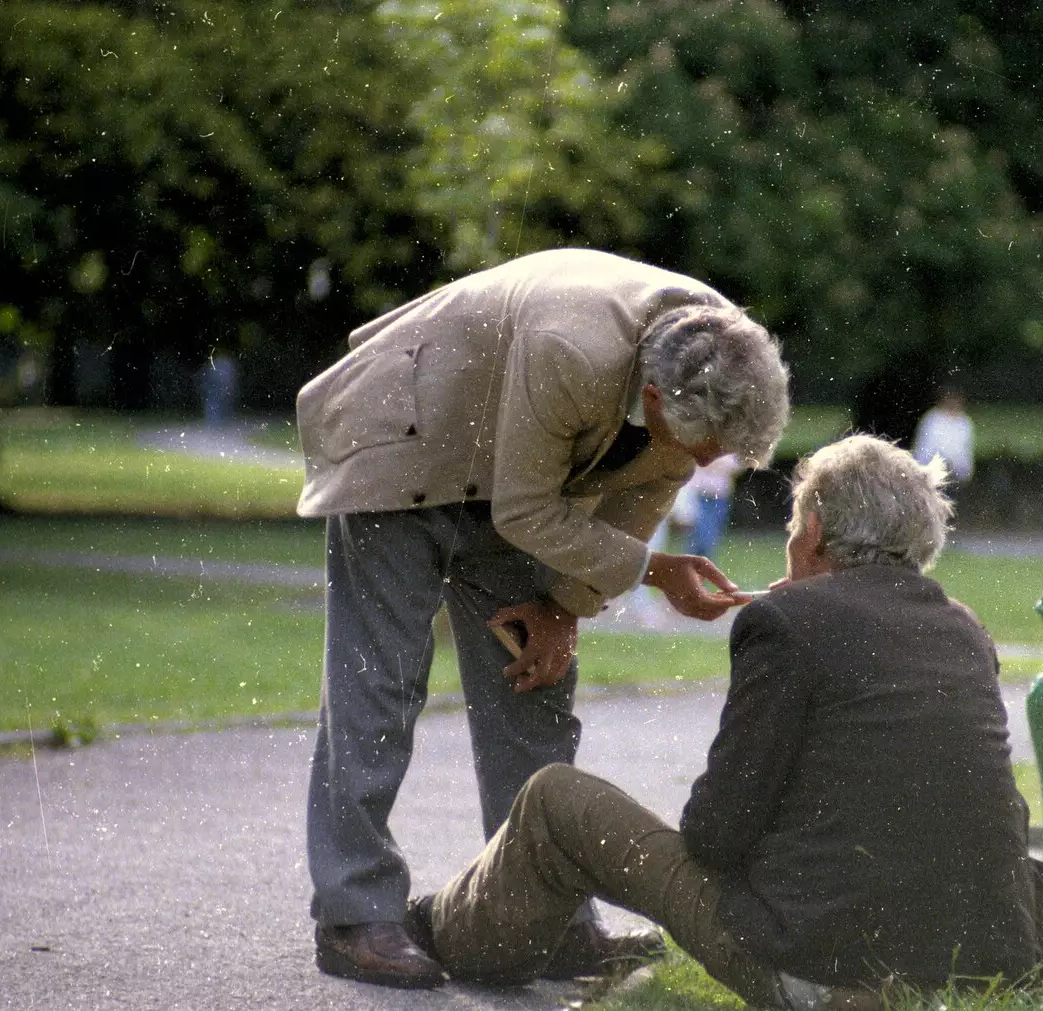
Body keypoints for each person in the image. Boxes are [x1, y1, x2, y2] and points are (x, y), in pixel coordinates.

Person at [406, 435, 1043, 1006]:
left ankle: (438, 929)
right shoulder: (964, 629)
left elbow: (715, 833)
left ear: (816, 534)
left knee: (555, 799)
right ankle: (519, 933)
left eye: (794, 529)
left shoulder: (787, 623)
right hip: (985, 966)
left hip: (824, 969)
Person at [293, 248, 792, 989]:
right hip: (401, 437)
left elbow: (641, 495)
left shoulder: (722, 352)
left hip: (505, 466)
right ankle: (354, 911)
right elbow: (526, 509)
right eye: (702, 448)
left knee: (532, 680)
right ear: (655, 402)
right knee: (382, 681)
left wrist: (563, 607)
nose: (705, 463)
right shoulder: (575, 348)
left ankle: (543, 918)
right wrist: (656, 570)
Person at [681, 452, 743, 558]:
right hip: (700, 493)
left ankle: (702, 565)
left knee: (711, 535)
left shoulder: (730, 448)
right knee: (701, 535)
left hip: (720, 497)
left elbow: (737, 466)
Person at [911, 387, 974, 483]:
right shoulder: (932, 420)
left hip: (956, 474)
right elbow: (924, 449)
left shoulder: (964, 422)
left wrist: (964, 471)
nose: (953, 403)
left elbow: (966, 451)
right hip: (931, 472)